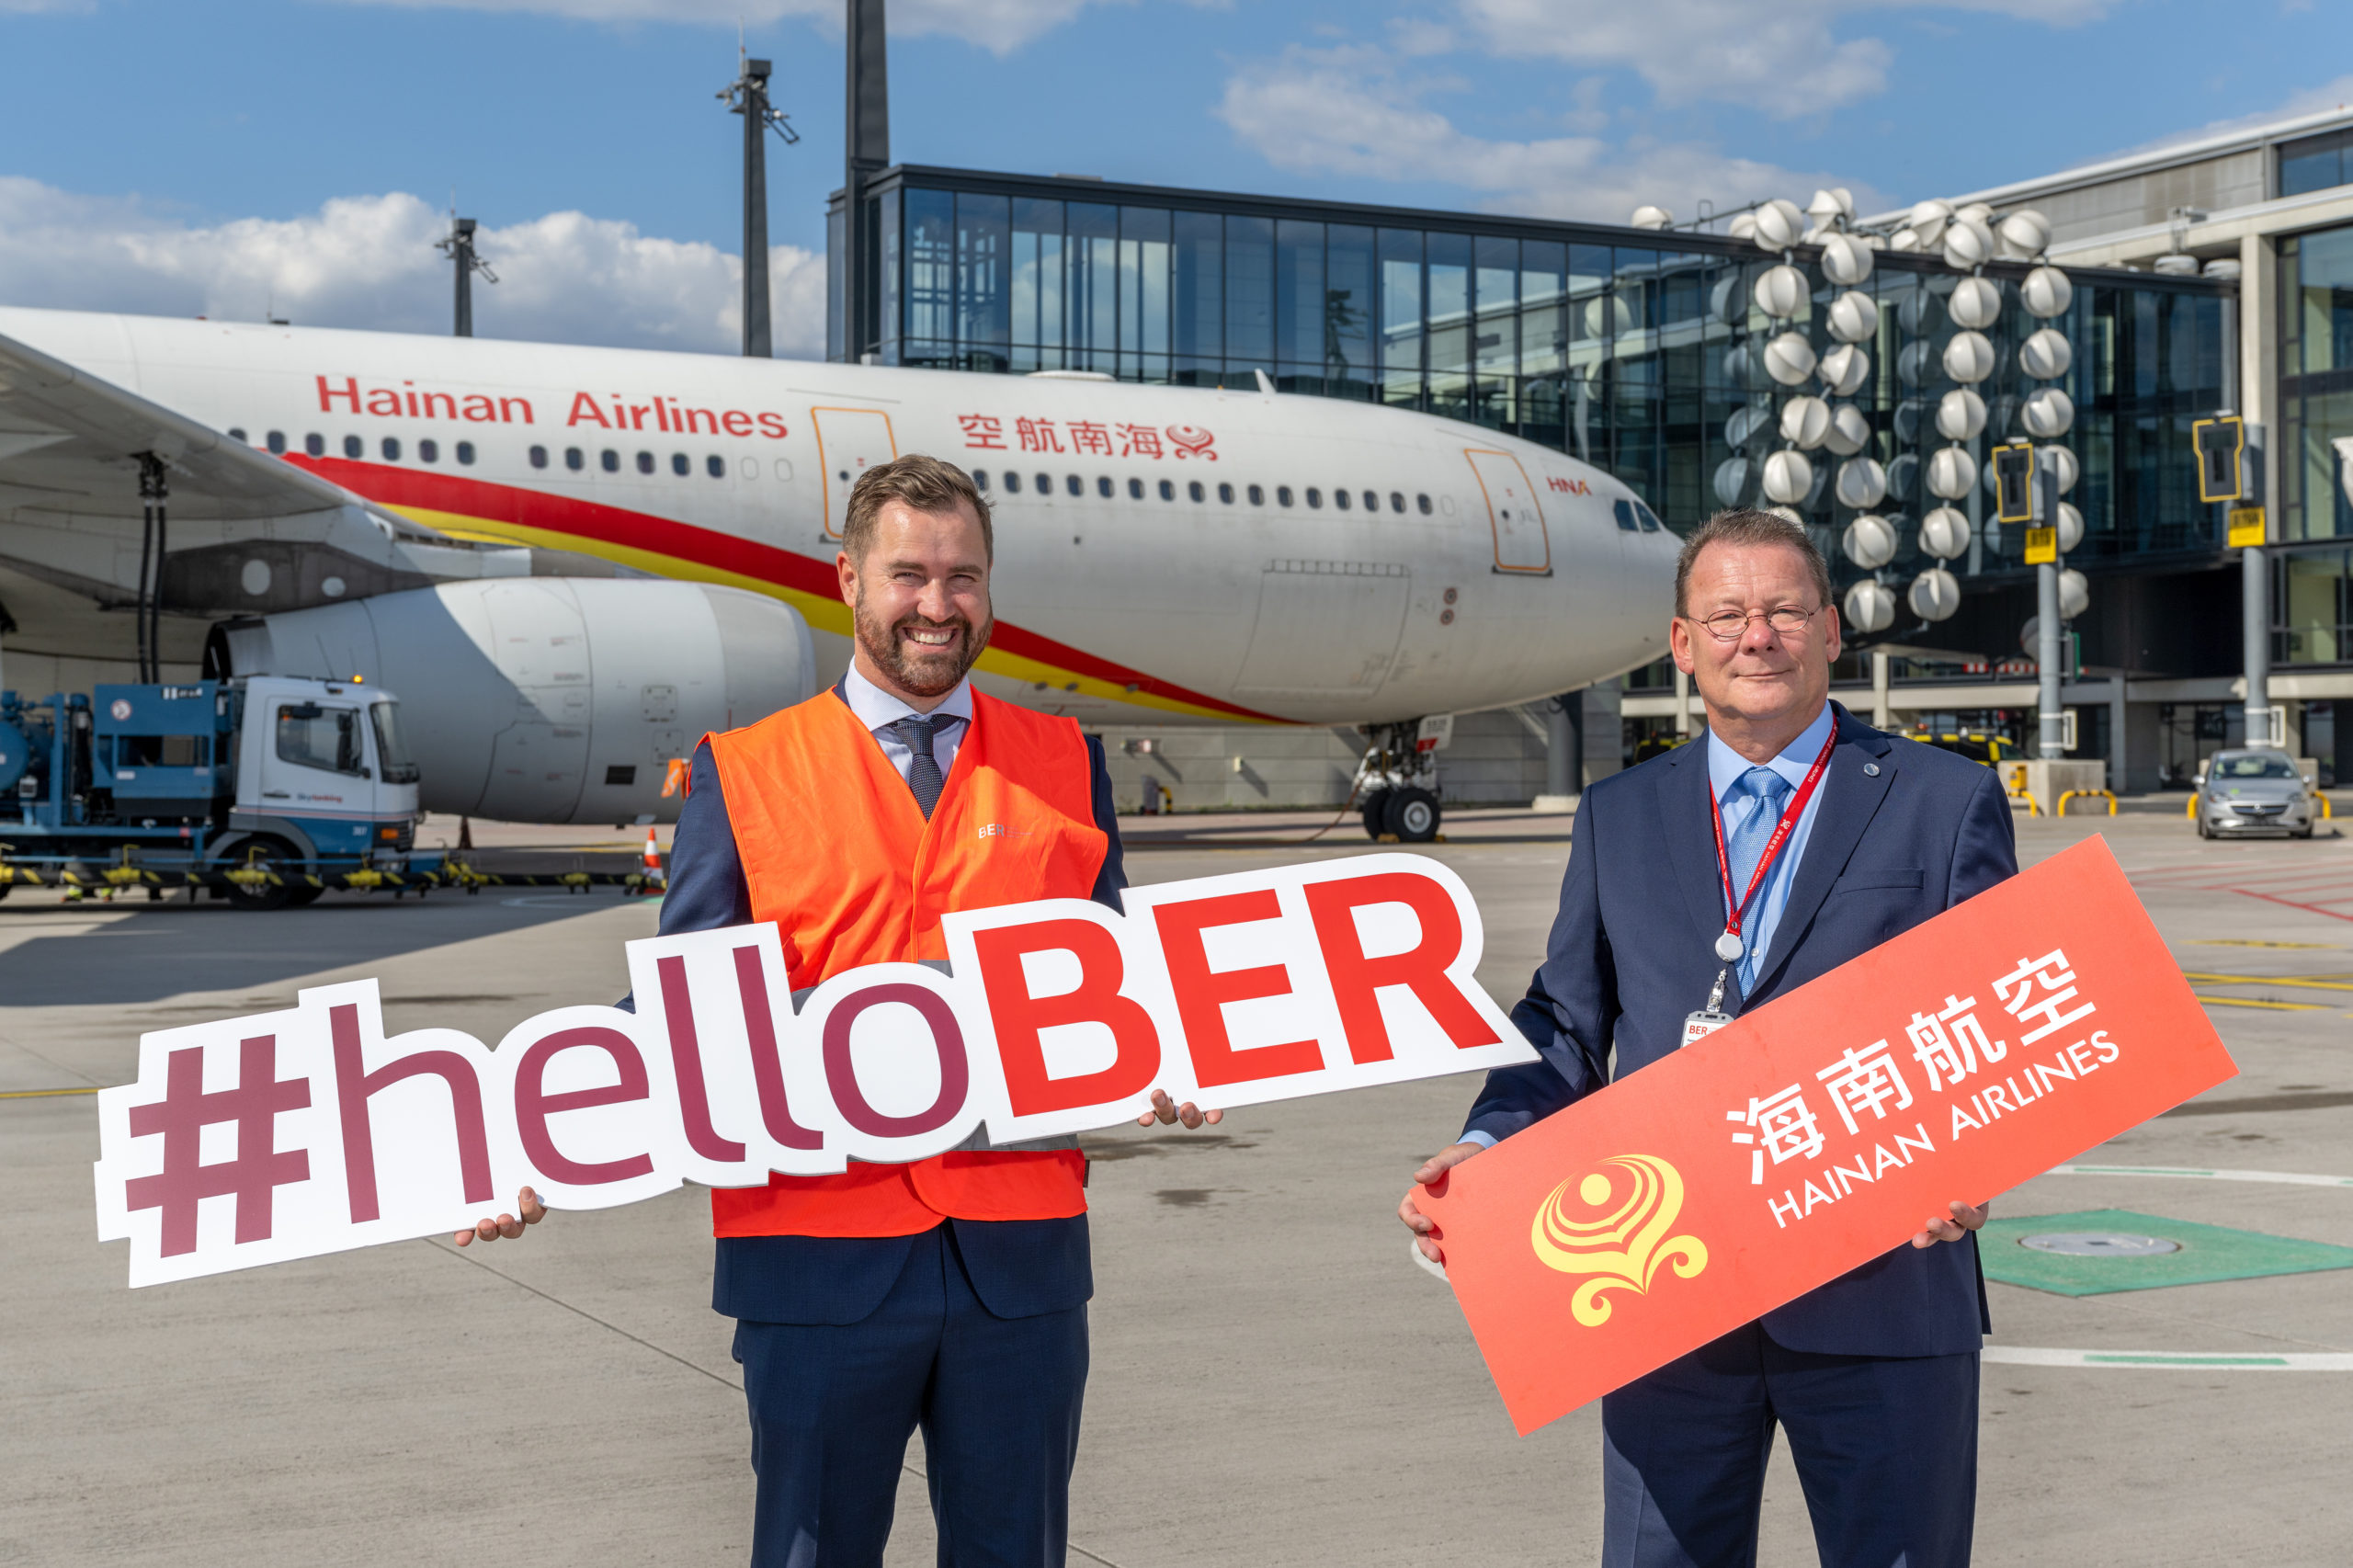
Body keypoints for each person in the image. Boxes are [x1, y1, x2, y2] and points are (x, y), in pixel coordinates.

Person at [459, 453, 1216, 1567]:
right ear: (849, 579)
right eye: (908, 573)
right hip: (816, 1261)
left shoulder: (1066, 761)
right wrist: (536, 1135)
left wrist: (1177, 1050)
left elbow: (1109, 969)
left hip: (1020, 1262)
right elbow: (683, 1001)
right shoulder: (745, 768)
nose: (937, 604)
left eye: (963, 576)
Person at [1399, 507, 2015, 1568]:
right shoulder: (1618, 813)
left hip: (1882, 1286)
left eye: (1782, 611)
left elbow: (1992, 1013)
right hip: (1663, 1290)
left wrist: (1976, 1157)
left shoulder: (1942, 799)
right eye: (1724, 614)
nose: (1755, 636)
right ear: (1683, 645)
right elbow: (1563, 1015)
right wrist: (1489, 1142)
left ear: (1830, 629)